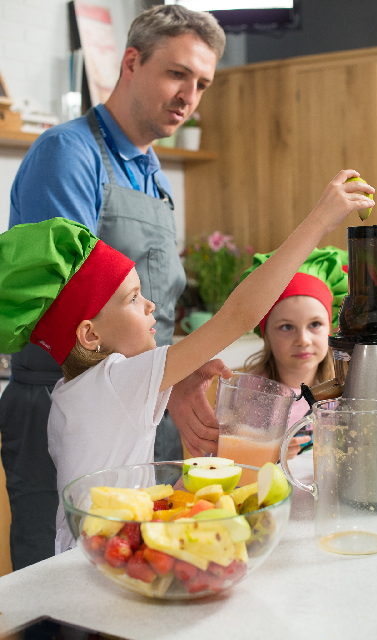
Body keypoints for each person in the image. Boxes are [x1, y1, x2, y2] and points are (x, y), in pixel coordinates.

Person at [0, 170, 375, 552]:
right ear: (90, 335)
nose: (151, 306)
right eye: (132, 298)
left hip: (92, 554)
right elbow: (237, 316)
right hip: (109, 558)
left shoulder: (71, 391)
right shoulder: (117, 381)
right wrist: (319, 222)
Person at [0, 5, 227, 569]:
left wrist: (170, 378)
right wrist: (161, 376)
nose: (189, 95)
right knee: (58, 586)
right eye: (177, 73)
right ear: (131, 62)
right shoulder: (68, 154)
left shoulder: (149, 168)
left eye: (201, 83)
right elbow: (72, 313)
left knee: (136, 577)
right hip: (66, 408)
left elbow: (147, 304)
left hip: (137, 405)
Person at [241, 246, 349, 457]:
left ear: (332, 327)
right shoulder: (249, 393)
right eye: (287, 327)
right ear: (266, 334)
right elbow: (224, 461)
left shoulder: (346, 387)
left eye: (315, 324)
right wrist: (265, 455)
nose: (303, 340)